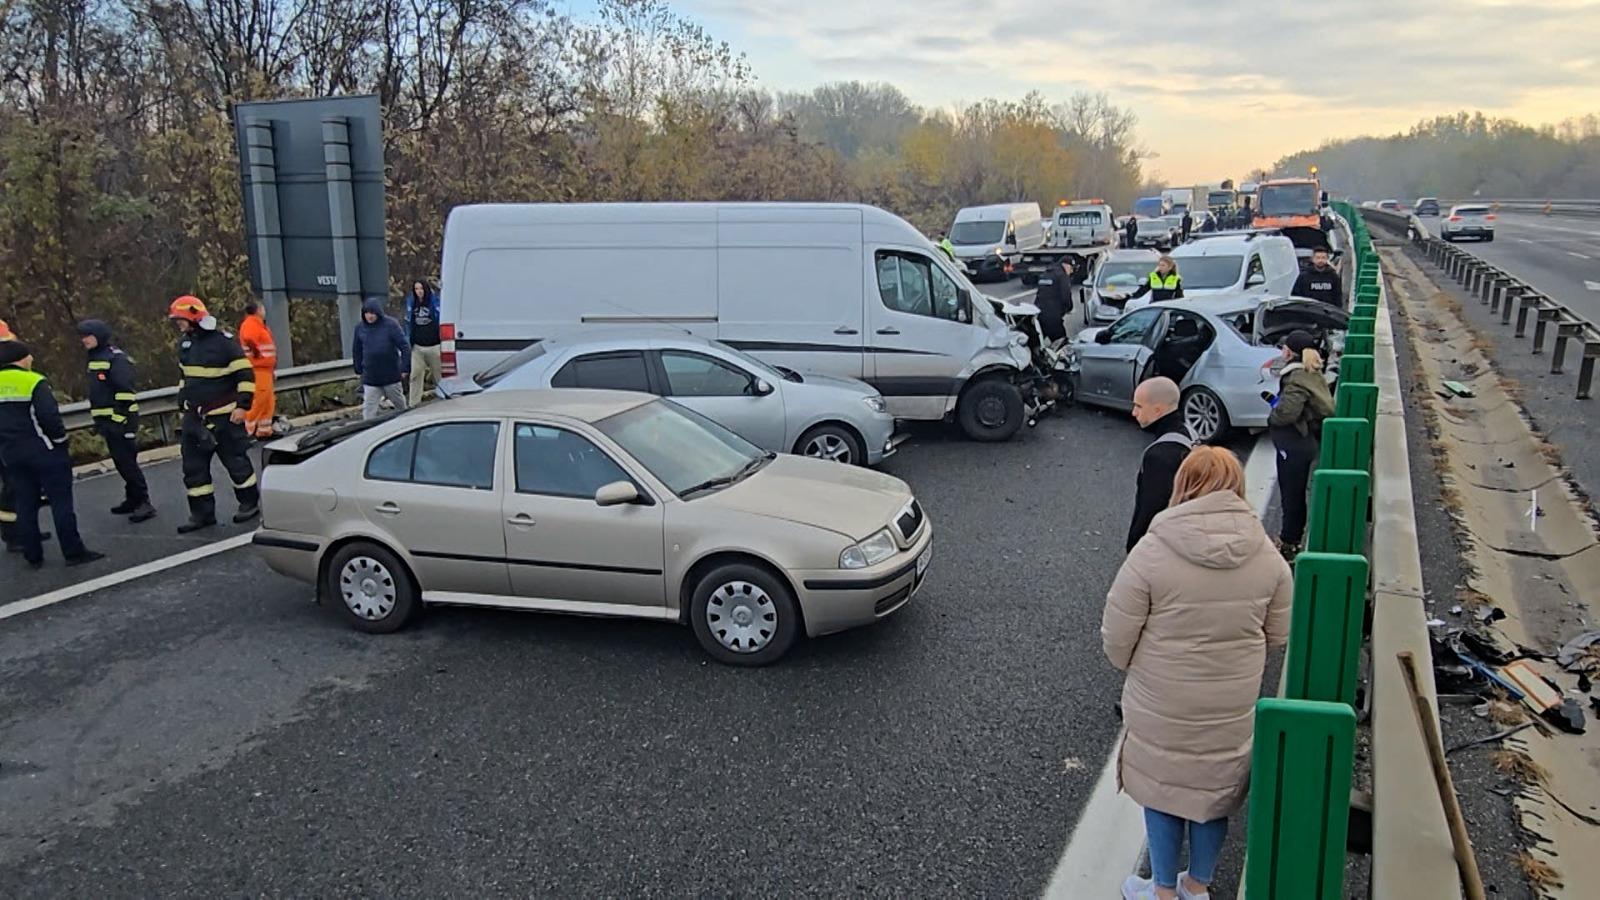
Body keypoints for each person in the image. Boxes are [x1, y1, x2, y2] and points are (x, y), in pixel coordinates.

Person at [1103, 447, 1293, 900]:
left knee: (1164, 791)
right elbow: (1278, 634)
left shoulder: (1153, 550)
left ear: (1183, 484)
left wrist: (1139, 666)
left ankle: (1162, 889)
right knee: (1212, 795)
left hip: (1162, 698)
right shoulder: (1266, 555)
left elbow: (1117, 636)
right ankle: (1198, 885)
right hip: (1230, 701)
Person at [0, 340, 104, 568]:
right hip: (43, 450)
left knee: (25, 503)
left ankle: (32, 553)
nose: (32, 360)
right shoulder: (33, 381)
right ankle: (73, 552)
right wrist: (60, 441)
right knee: (61, 502)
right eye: (28, 356)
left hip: (10, 454)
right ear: (20, 358)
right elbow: (49, 417)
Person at [169, 295, 260, 533]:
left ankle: (249, 503)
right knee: (193, 468)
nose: (178, 324)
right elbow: (185, 378)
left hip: (225, 418)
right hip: (194, 419)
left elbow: (246, 377)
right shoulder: (186, 344)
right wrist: (183, 405)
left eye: (181, 320)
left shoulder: (225, 343)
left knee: (236, 462)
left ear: (194, 317)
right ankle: (201, 514)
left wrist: (242, 406)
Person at [77, 320, 154, 523]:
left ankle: (144, 502)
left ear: (99, 335)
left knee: (128, 463)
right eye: (82, 336)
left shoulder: (115, 358)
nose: (84, 340)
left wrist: (119, 420)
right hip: (108, 422)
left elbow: (125, 392)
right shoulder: (95, 358)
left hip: (121, 422)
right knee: (121, 462)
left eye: (88, 335)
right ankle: (133, 499)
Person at [1267, 329, 1335, 558]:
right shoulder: (1312, 373)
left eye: (1285, 347)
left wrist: (1273, 416)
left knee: (1291, 495)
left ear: (1291, 352)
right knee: (1294, 494)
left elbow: (1287, 413)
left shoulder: (1296, 378)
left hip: (1294, 444)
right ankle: (1291, 539)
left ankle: (1289, 542)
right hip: (1305, 443)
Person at [1126, 376, 1193, 552]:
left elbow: (1149, 509)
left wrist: (1133, 547)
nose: (1134, 412)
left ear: (1158, 411)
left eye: (1139, 406)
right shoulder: (1188, 435)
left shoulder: (1158, 457)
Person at [353, 297, 411, 420]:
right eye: (367, 313)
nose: (370, 316)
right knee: (368, 413)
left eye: (373, 313)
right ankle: (368, 435)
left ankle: (408, 425)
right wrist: (358, 369)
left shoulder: (390, 325)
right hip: (371, 378)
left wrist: (405, 368)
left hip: (391, 377)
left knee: (401, 408)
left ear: (378, 313)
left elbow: (404, 346)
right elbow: (357, 350)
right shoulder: (360, 328)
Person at [238, 301, 279, 438]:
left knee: (268, 401)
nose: (264, 311)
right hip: (258, 369)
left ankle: (264, 430)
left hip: (265, 369)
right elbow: (249, 338)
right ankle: (245, 429)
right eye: (262, 308)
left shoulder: (259, 324)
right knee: (259, 400)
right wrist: (256, 352)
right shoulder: (251, 323)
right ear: (257, 310)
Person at [405, 279, 443, 406]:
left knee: (439, 377)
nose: (419, 292)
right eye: (416, 289)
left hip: (434, 345)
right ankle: (413, 404)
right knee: (415, 375)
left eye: (421, 289)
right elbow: (408, 323)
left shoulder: (434, 302)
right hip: (418, 346)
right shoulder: (411, 303)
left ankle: (444, 401)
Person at [1031, 258, 1074, 343]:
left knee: (1036, 342)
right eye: (1071, 268)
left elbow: (1040, 293)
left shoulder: (1045, 274)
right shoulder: (1062, 276)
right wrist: (1068, 308)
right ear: (1066, 265)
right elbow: (1066, 295)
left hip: (1040, 313)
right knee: (1061, 344)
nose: (1071, 272)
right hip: (1053, 316)